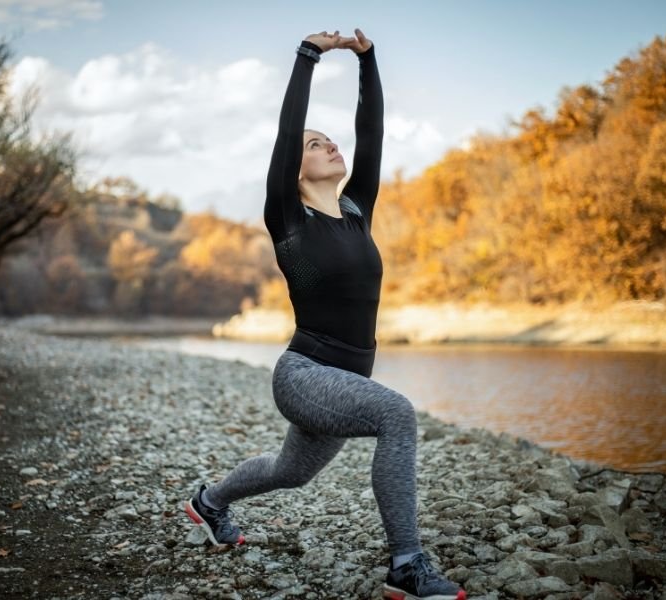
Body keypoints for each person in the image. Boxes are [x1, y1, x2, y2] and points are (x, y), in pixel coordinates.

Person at [184, 29, 466, 600]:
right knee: (397, 414)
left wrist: (368, 60)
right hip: (304, 375)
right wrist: (308, 57)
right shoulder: (288, 217)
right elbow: (288, 132)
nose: (329, 145)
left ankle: (208, 503)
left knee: (291, 471)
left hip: (342, 380)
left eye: (329, 141)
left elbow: (372, 131)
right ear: (294, 166)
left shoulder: (357, 211)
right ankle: (406, 566)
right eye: (315, 145)